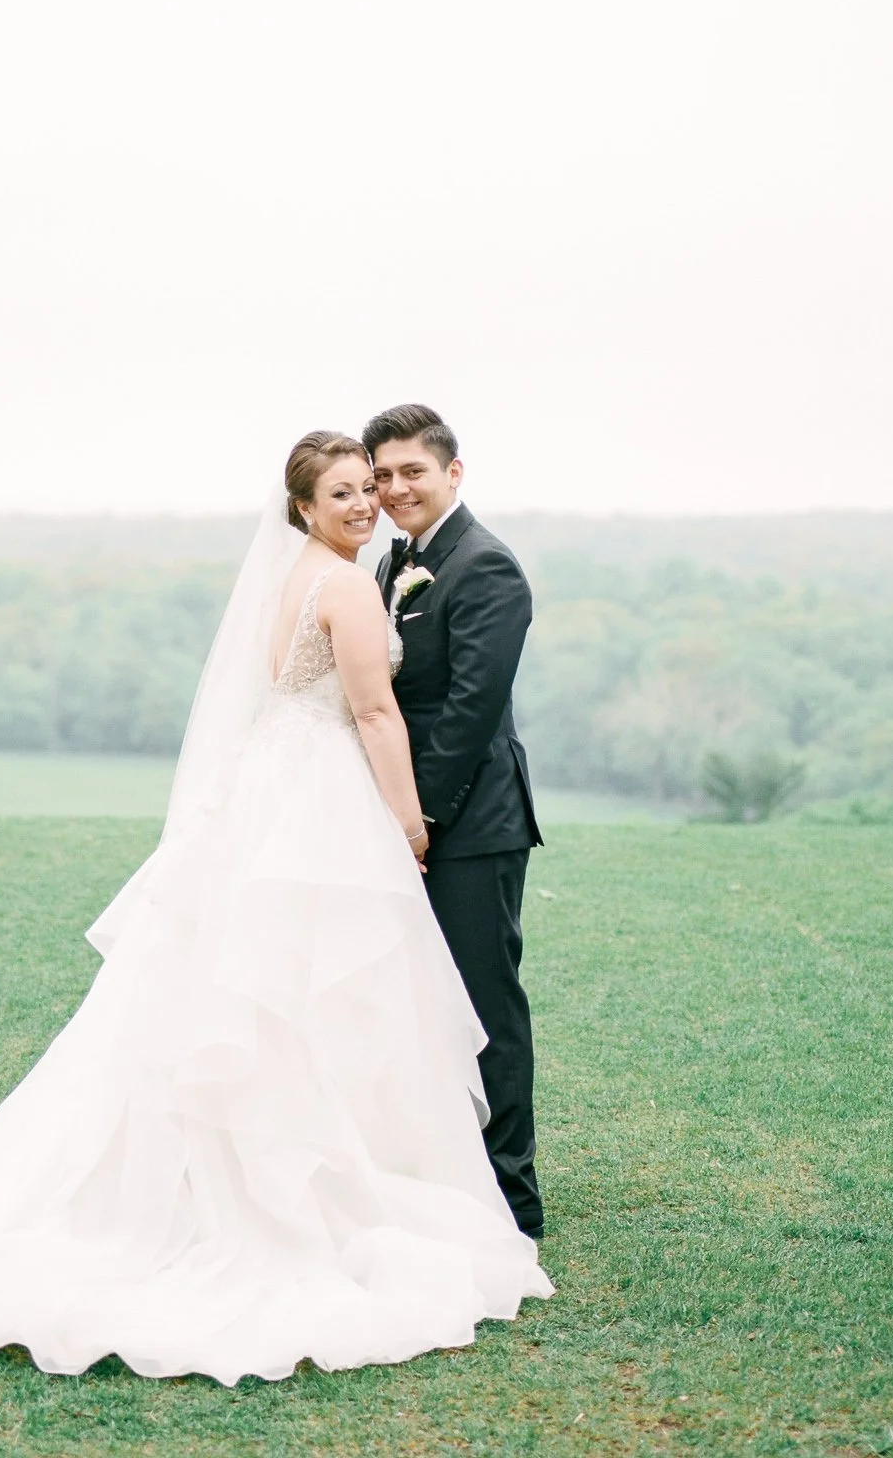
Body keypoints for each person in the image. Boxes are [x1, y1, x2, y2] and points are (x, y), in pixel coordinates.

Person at [0, 431, 551, 1385]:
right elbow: (378, 715)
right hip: (326, 802)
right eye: (346, 490)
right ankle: (318, 1192)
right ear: (301, 506)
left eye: (373, 486)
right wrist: (407, 825)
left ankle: (345, 1170)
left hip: (280, 794)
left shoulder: (303, 575)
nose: (366, 502)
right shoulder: (346, 582)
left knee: (285, 991)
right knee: (316, 993)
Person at [364, 404, 545, 1239]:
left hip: (471, 826)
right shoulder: (394, 562)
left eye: (413, 473)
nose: (396, 488)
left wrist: (416, 818)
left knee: (483, 1005)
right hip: (401, 819)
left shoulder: (486, 568)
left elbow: (469, 712)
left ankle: (510, 1195)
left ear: (453, 473)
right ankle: (433, 1174)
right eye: (384, 475)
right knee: (410, 1003)